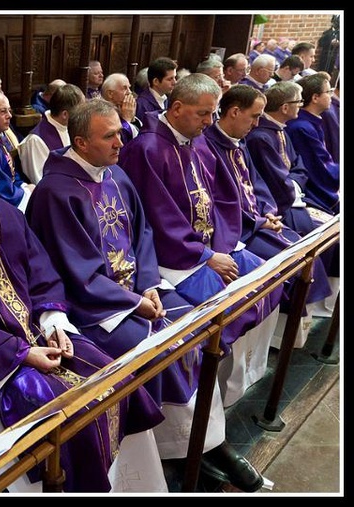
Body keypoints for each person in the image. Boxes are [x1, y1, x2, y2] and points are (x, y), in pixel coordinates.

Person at [0, 119, 169, 493]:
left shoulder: (7, 214)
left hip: (41, 336)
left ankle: (134, 485)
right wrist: (24, 353)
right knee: (64, 410)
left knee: (114, 379)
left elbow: (43, 275)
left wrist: (55, 320)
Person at [26, 99, 266, 493]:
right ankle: (178, 450)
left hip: (137, 294)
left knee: (195, 328)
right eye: (110, 136)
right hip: (93, 309)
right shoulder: (57, 193)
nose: (121, 142)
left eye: (120, 132)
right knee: (158, 346)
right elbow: (74, 268)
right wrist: (133, 301)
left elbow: (143, 236)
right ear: (82, 143)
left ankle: (206, 443)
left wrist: (149, 285)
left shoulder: (116, 175)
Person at [119, 73, 282, 408]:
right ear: (177, 108)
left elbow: (221, 196)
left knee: (269, 279)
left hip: (211, 247)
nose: (210, 122)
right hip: (173, 257)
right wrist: (206, 255)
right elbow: (157, 217)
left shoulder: (200, 140)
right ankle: (213, 398)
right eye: (204, 114)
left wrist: (222, 244)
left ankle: (240, 382)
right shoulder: (146, 149)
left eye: (213, 113)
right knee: (227, 308)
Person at [203, 84, 331, 347]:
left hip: (258, 220)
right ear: (235, 112)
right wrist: (261, 220)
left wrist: (269, 210)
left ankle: (285, 337)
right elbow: (219, 201)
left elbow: (256, 183)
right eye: (254, 116)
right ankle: (275, 342)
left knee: (302, 251)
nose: (258, 122)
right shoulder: (208, 146)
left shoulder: (239, 143)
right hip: (238, 230)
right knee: (288, 267)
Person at [246, 81, 339, 320]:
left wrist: (296, 183)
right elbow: (272, 178)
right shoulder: (260, 137)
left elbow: (298, 166)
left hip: (293, 195)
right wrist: (292, 188)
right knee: (308, 245)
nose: (301, 106)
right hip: (280, 205)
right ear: (285, 107)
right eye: (298, 102)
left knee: (331, 232)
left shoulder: (282, 129)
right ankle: (296, 317)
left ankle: (318, 309)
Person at [285, 72, 339, 216]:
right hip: (309, 194)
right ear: (315, 98)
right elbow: (321, 168)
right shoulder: (302, 128)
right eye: (328, 92)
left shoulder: (309, 122)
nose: (331, 96)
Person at [0, 90, 34, 211]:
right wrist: (26, 192)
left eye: (9, 110)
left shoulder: (0, 135)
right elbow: (0, 187)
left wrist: (23, 186)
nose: (9, 115)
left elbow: (11, 171)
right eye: (3, 111)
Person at [18, 83, 85, 184]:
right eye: (80, 112)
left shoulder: (70, 127)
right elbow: (41, 182)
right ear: (65, 115)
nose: (83, 116)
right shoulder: (36, 141)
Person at [100, 73, 142, 145]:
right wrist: (126, 120)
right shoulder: (101, 113)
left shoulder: (122, 108)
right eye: (125, 88)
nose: (130, 92)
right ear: (110, 94)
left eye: (129, 88)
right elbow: (118, 144)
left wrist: (132, 119)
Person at [135, 56, 177, 122]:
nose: (174, 82)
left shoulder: (169, 99)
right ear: (156, 81)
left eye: (175, 77)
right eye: (170, 79)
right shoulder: (141, 105)